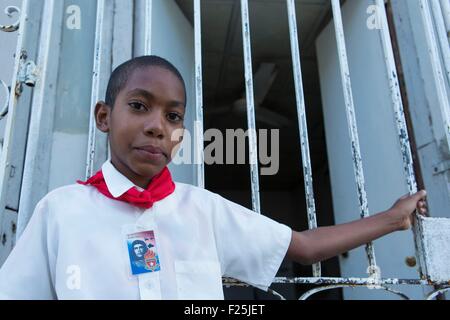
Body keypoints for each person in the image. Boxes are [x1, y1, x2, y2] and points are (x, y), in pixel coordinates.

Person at [0, 55, 428, 300]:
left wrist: (393, 218)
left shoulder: (201, 209)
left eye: (172, 116)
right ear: (103, 116)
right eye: (138, 106)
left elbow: (303, 246)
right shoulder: (61, 212)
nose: (157, 126)